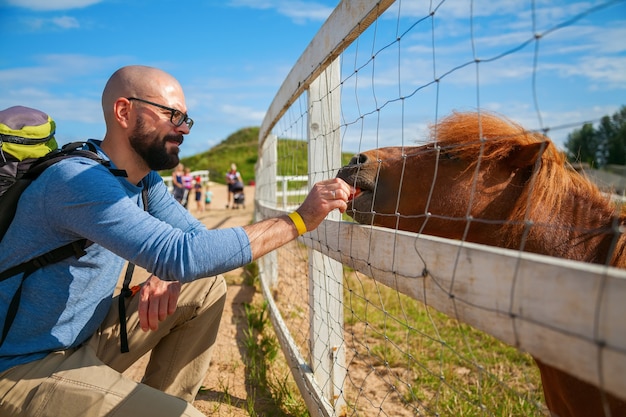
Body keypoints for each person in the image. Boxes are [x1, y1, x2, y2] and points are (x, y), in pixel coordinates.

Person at [0, 65, 351, 417]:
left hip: (82, 341)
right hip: (21, 368)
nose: (183, 128)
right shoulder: (76, 180)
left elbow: (196, 243)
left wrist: (170, 273)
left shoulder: (144, 181)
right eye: (172, 115)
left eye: (185, 118)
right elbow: (179, 254)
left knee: (206, 286)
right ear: (124, 111)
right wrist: (298, 220)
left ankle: (162, 404)